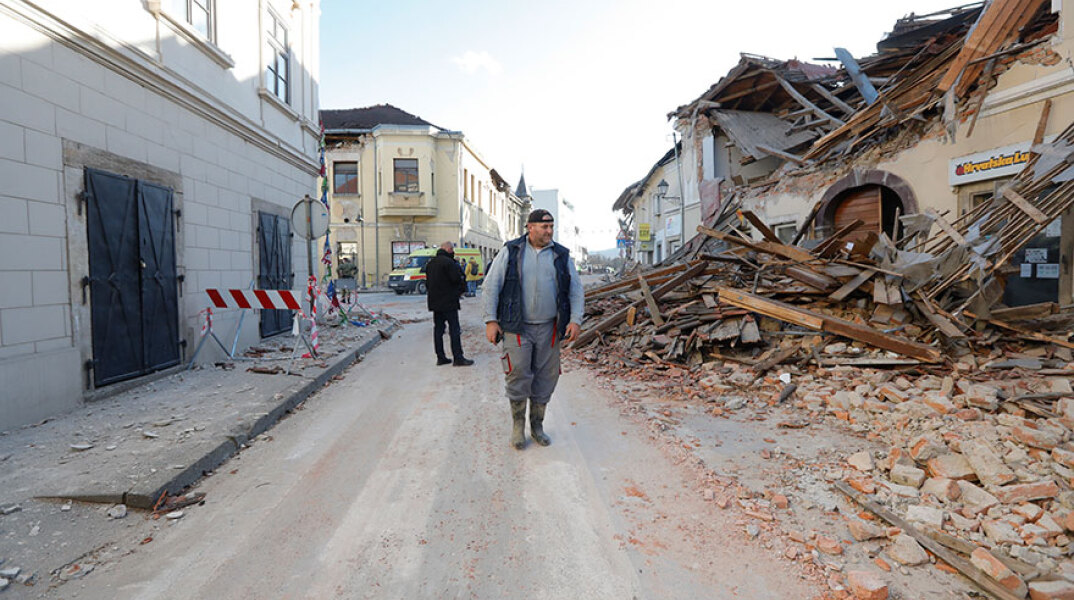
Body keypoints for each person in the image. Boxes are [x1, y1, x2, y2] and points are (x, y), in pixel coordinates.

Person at [483, 209, 584, 449]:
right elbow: (491, 286)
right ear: (530, 227)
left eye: (551, 227)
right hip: (517, 327)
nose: (549, 231)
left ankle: (537, 426)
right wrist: (490, 320)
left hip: (549, 329)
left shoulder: (561, 255)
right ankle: (518, 427)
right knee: (517, 375)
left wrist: (575, 320)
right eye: (544, 227)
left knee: (545, 378)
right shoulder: (511, 251)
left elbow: (576, 290)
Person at [426, 241, 473, 367]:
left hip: (435, 303)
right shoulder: (449, 263)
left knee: (438, 330)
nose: (453, 252)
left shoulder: (431, 264)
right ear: (448, 249)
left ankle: (440, 357)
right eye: (452, 249)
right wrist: (459, 292)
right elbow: (456, 279)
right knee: (454, 330)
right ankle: (458, 358)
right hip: (449, 302)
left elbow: (427, 284)